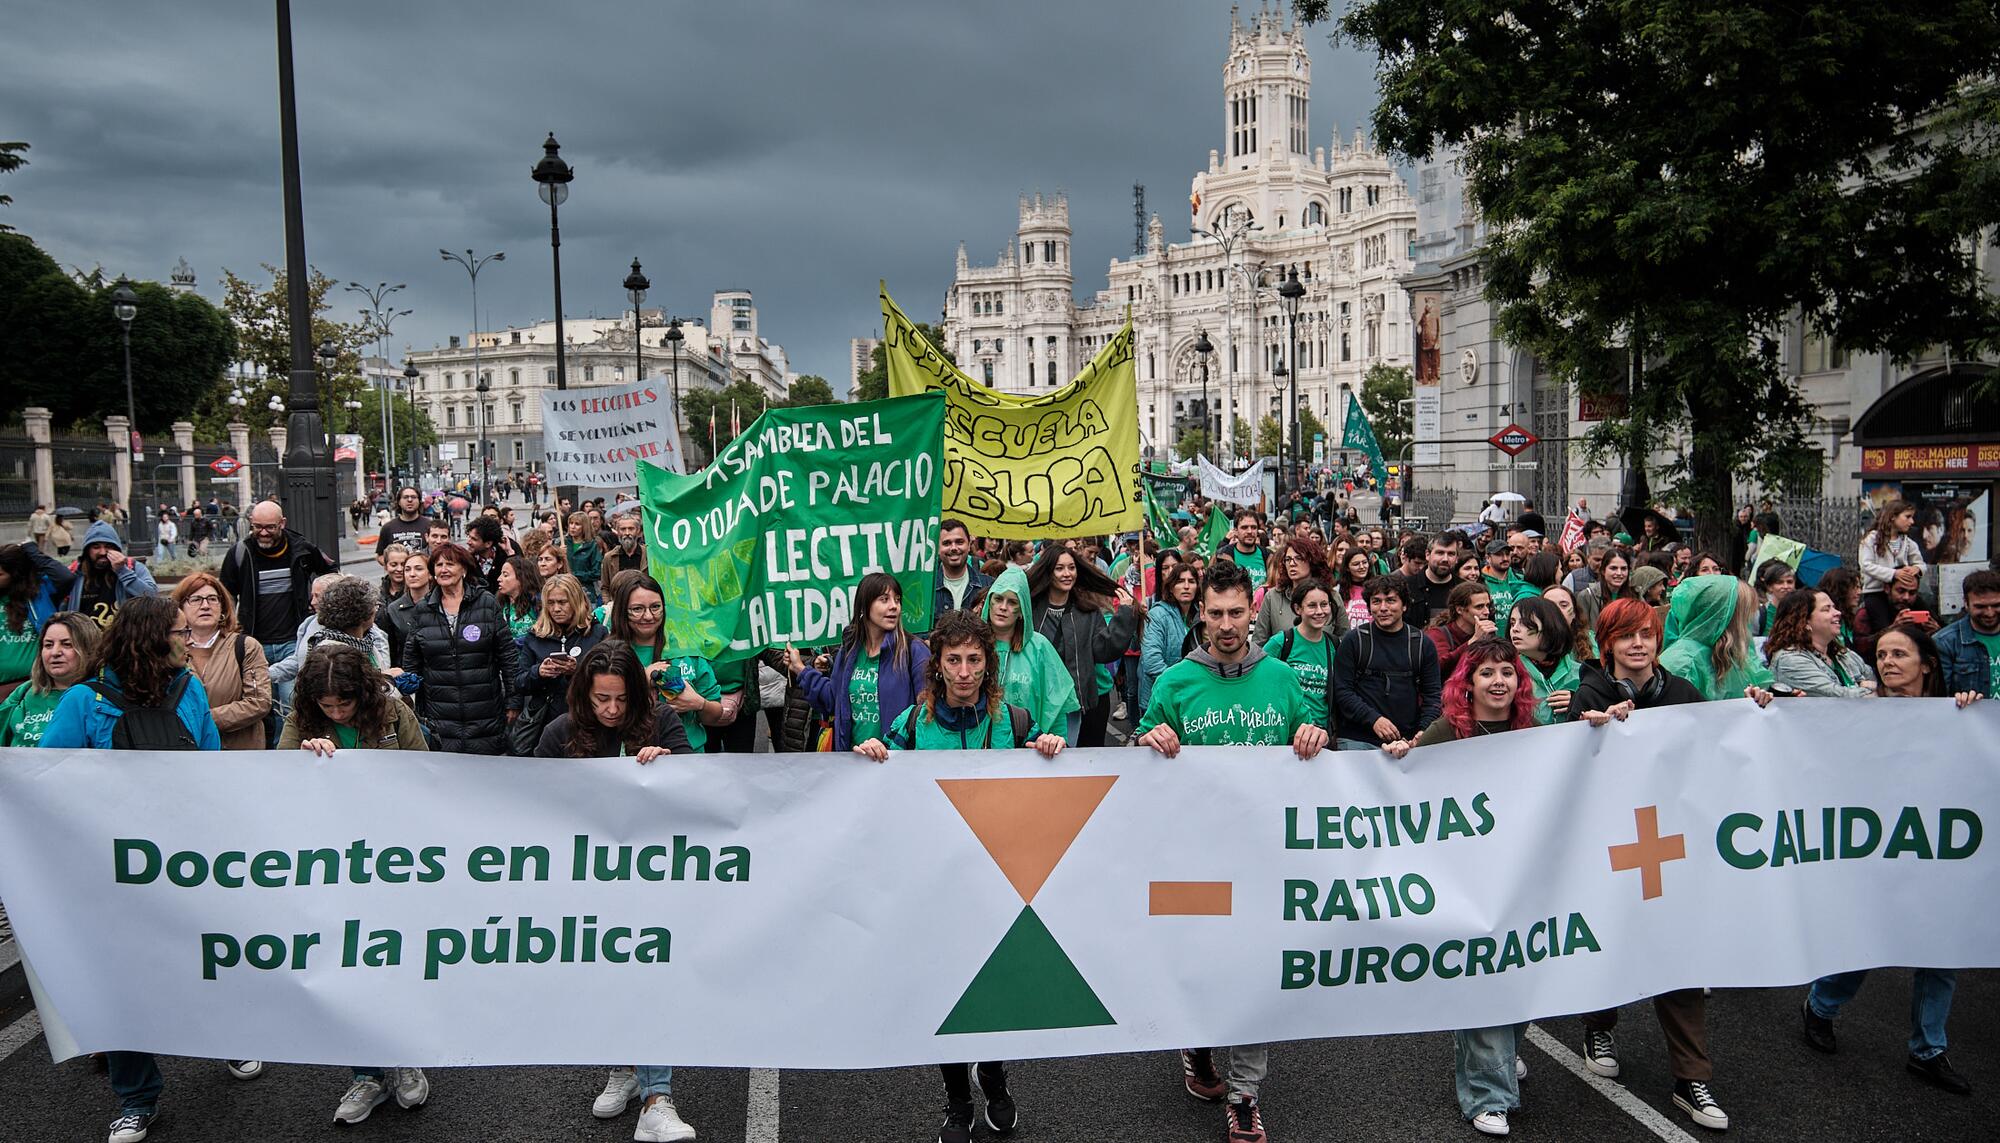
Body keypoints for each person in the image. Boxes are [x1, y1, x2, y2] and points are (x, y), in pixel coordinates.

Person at [37, 594, 256, 1141]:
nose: (189, 641)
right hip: (111, 871)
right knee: (121, 982)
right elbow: (42, 780)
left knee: (204, 959)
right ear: (151, 641)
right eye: (180, 633)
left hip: (183, 864)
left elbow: (210, 772)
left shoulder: (190, 691)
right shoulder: (84, 703)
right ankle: (137, 1097)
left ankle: (229, 1038)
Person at [844, 610, 1061, 1143]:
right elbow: (876, 793)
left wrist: (1049, 751)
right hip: (934, 890)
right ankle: (957, 1100)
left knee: (993, 992)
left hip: (997, 887)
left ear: (989, 665)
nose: (963, 671)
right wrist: (870, 754)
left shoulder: (1014, 722)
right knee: (944, 995)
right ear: (937, 666)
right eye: (953, 660)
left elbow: (1045, 799)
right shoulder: (911, 727)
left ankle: (993, 1073)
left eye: (974, 660)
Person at [1134, 558, 1327, 1143]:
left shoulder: (1283, 678)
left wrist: (1313, 736)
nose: (1225, 624)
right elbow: (1137, 755)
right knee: (1202, 968)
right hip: (1195, 858)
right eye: (1214, 613)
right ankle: (1196, 1045)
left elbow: (1315, 739)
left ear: (1253, 610)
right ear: (1200, 614)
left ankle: (1245, 1094)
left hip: (1266, 857)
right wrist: (1149, 737)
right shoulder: (1174, 683)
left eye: (1236, 613)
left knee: (1255, 975)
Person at [1573, 598, 1766, 1131]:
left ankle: (1690, 1077)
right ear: (1607, 642)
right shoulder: (1590, 692)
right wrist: (1591, 728)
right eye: (1627, 636)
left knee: (1681, 953)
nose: (1639, 645)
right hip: (1612, 848)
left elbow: (1720, 737)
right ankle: (1598, 1024)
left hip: (1671, 844)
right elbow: (1569, 760)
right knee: (1612, 945)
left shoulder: (1681, 693)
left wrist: (1752, 707)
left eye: (1647, 635)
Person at [1799, 620, 1981, 1097]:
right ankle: (1821, 1006)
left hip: (1933, 852)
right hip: (1871, 849)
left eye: (1899, 655)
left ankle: (1928, 1050)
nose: (1888, 664)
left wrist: (1974, 716)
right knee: (1867, 939)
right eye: (1881, 655)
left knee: (1940, 951)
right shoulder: (1857, 711)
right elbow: (1801, 738)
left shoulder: (1957, 715)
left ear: (1928, 665)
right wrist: (1765, 706)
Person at [1378, 636, 1539, 1136]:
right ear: (1467, 683)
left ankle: (1500, 1053)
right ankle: (1488, 1095)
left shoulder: (1534, 730)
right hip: (1467, 880)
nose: (1498, 682)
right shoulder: (1450, 731)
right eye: (1486, 673)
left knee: (1521, 970)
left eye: (1507, 672)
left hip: (1523, 873)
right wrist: (1403, 753)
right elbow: (1406, 782)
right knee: (1486, 977)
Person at [274, 642, 435, 1124]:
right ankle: (365, 1074)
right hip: (333, 863)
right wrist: (305, 760)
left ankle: (404, 1060)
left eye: (344, 703)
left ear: (362, 693)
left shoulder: (391, 712)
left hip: (391, 859)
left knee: (392, 959)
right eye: (328, 706)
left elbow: (427, 773)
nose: (337, 711)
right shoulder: (302, 720)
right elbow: (276, 780)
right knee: (347, 965)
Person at [788, 571, 928, 752]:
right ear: (864, 606)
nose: (894, 606)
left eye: (897, 599)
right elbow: (833, 701)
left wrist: (893, 746)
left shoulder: (914, 651)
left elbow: (927, 713)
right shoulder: (850, 651)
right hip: (852, 761)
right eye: (884, 599)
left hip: (894, 763)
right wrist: (800, 669)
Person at [402, 543, 522, 754]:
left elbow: (508, 655)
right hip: (440, 715)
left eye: (450, 563)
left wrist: (513, 699)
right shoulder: (422, 610)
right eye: (438, 565)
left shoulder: (486, 603)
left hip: (485, 713)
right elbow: (412, 662)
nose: (443, 569)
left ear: (464, 569)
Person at [219, 499, 340, 687]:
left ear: (282, 523)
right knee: (261, 703)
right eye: (257, 527)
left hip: (293, 641)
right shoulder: (240, 553)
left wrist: (318, 599)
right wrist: (227, 629)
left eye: (270, 527)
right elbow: (225, 595)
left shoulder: (301, 549)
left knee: (290, 703)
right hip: (254, 643)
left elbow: (331, 571)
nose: (263, 533)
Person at [1026, 545, 1138, 746]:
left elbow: (1104, 650)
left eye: (1071, 567)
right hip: (1042, 705)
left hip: (1084, 705)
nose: (1067, 574)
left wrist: (1125, 615)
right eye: (1059, 568)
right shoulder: (1031, 610)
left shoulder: (1087, 611)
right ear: (1048, 571)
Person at [608, 571, 726, 753]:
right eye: (637, 609)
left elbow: (716, 715)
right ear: (622, 611)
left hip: (687, 754)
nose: (648, 616)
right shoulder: (609, 652)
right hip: (632, 758)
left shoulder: (686, 648)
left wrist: (699, 703)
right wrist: (641, 681)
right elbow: (597, 711)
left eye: (655, 607)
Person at [1331, 575, 1444, 752]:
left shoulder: (1421, 644)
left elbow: (1432, 695)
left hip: (1406, 741)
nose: (1383, 608)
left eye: (1391, 601)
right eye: (1376, 601)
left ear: (1404, 605)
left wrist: (1424, 730)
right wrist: (1374, 719)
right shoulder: (1354, 640)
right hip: (1357, 739)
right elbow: (1342, 691)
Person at [171, 573, 274, 751]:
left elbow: (259, 702)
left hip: (239, 752)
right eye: (195, 599)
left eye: (212, 599)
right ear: (180, 607)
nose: (205, 605)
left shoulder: (246, 646)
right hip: (187, 750)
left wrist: (203, 720)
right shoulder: (170, 648)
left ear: (223, 606)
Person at [978, 564, 1079, 739]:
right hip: (982, 750)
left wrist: (1057, 744)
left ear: (1022, 611)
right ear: (989, 602)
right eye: (998, 599)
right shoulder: (973, 645)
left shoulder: (1039, 648)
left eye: (1012, 602)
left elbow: (1056, 707)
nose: (1003, 607)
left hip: (1031, 748)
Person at [513, 573, 608, 754]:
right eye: (551, 603)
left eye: (562, 602)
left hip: (588, 721)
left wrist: (577, 671)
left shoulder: (597, 633)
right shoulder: (536, 636)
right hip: (545, 725)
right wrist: (539, 672)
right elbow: (519, 682)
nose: (556, 608)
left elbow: (609, 678)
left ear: (576, 601)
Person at [1659, 575, 1776, 701]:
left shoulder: (1729, 652)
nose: (1748, 620)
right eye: (1744, 613)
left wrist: (1757, 697)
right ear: (1724, 616)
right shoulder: (1682, 663)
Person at [0, 611, 100, 746]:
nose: (55, 652)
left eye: (67, 644)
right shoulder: (24, 691)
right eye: (48, 645)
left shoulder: (100, 697)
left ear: (88, 649)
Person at [1765, 589, 1875, 698]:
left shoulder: (1843, 654)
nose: (1838, 612)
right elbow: (1837, 697)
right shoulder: (1790, 660)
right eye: (1827, 609)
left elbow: (1876, 680)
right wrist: (1869, 689)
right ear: (1804, 621)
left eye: (1834, 607)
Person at [1261, 578, 1338, 731]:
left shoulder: (1334, 644)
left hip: (1321, 733)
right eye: (1311, 606)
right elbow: (1260, 680)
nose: (1319, 611)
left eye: (1324, 605)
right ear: (1298, 609)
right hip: (1289, 732)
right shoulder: (1281, 642)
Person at [51, 520, 158, 628]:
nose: (103, 552)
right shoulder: (74, 573)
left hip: (122, 640)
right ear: (87, 550)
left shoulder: (133, 567)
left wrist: (123, 571)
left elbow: (152, 597)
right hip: (85, 641)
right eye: (96, 547)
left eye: (108, 547)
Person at [1140, 561, 1202, 713]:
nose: (1186, 586)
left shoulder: (1203, 615)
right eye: (1180, 581)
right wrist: (1182, 685)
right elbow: (1151, 662)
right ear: (1171, 588)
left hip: (1195, 698)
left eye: (1191, 581)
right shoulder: (1157, 615)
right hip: (1162, 698)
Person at [1508, 594, 1579, 724]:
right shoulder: (1508, 673)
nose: (1515, 629)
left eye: (1524, 622)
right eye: (1512, 623)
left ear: (1549, 625)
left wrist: (1580, 702)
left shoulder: (1581, 673)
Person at [1252, 534, 1335, 646]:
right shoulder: (1273, 597)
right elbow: (1258, 643)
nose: (1292, 563)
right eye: (1288, 559)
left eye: (1299, 558)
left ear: (1313, 561)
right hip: (1281, 662)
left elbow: (1344, 639)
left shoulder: (1331, 596)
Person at [1932, 568, 2000, 697]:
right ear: (1966, 603)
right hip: (1971, 716)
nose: (1990, 613)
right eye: (1980, 607)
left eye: (1996, 605)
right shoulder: (1945, 642)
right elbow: (1938, 698)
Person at [1425, 581, 1495, 681]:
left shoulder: (1488, 634)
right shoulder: (1438, 634)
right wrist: (1473, 641)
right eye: (1479, 607)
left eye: (1487, 605)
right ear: (1460, 610)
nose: (1486, 612)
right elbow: (1438, 667)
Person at [1859, 499, 1926, 594]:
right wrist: (1894, 573)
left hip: (1902, 592)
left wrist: (1916, 569)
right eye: (1908, 517)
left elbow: (1920, 564)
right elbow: (1866, 566)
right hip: (1876, 591)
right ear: (1893, 517)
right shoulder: (1871, 539)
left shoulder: (1908, 543)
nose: (1912, 521)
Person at [380, 549, 431, 671]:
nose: (412, 574)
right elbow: (389, 650)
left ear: (430, 573)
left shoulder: (441, 603)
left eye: (418, 569)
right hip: (407, 675)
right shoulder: (393, 609)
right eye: (407, 570)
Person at [933, 518, 993, 615]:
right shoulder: (926, 588)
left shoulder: (989, 586)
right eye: (946, 543)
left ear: (969, 545)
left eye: (959, 542)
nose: (953, 548)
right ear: (938, 548)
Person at [1573, 546, 1635, 634]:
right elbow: (1581, 633)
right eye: (1613, 568)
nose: (1619, 573)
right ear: (1603, 571)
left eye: (1623, 569)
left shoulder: (1635, 595)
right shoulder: (1587, 596)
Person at [1404, 534, 1462, 628]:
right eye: (1440, 553)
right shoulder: (1407, 586)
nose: (1445, 559)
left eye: (1451, 554)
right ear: (1427, 555)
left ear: (1457, 559)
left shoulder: (1464, 589)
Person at [465, 516, 519, 593]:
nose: (468, 542)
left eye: (474, 539)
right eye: (469, 537)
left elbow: (521, 576)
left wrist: (510, 553)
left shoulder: (508, 550)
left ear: (488, 543)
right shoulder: (466, 558)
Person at [496, 555, 542, 640]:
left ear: (521, 577)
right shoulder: (498, 604)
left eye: (505, 575)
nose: (499, 579)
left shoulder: (538, 601)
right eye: (501, 574)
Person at [601, 505, 650, 584]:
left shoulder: (648, 555)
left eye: (631, 529)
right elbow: (605, 587)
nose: (627, 533)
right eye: (623, 529)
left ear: (638, 531)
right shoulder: (609, 557)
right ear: (617, 531)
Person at [376, 486, 432, 552]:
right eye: (405, 497)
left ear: (419, 501)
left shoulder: (430, 525)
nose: (410, 500)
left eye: (413, 497)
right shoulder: (388, 528)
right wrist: (393, 562)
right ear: (399, 502)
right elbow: (380, 555)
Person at [1333, 546, 1376, 630]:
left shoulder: (1377, 588)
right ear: (1347, 568)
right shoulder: (1337, 591)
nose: (1362, 567)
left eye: (1364, 562)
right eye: (1356, 564)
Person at [1751, 559, 1797, 636]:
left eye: (1789, 582)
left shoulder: (1802, 613)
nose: (1785, 586)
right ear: (1769, 587)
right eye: (1779, 582)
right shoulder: (1759, 615)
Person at [566, 511, 604, 602]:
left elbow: (597, 573)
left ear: (584, 527)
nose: (573, 527)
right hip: (565, 590)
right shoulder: (562, 543)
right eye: (571, 523)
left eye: (577, 524)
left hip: (586, 592)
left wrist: (575, 575)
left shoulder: (592, 546)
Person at [1227, 508, 1268, 581]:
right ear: (1235, 531)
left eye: (1253, 527)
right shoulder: (1223, 555)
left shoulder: (1268, 556)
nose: (1249, 531)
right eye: (1244, 527)